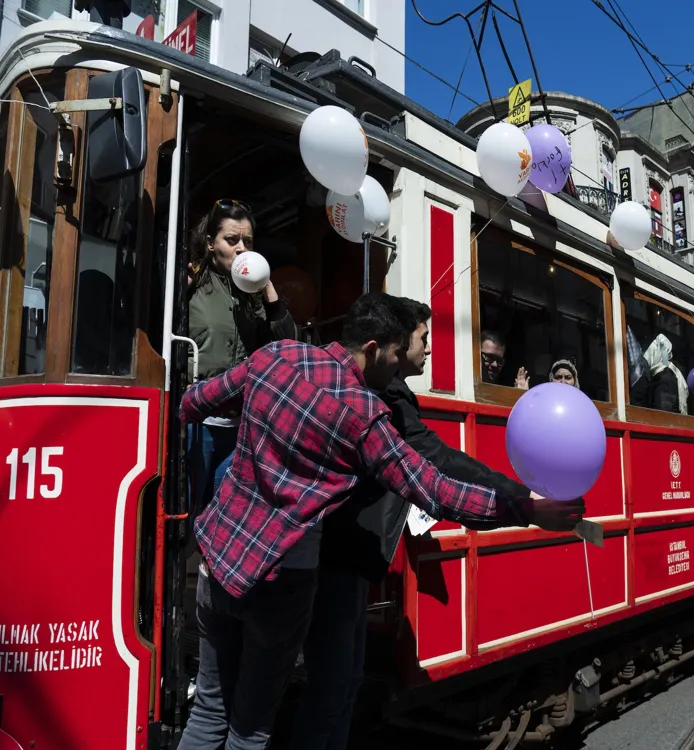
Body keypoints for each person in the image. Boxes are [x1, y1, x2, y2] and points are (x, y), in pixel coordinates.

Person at [176, 293, 583, 750]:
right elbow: (432, 488)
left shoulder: (275, 356)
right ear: (372, 349)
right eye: (395, 352)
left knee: (209, 710)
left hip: (217, 561)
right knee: (250, 729)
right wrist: (526, 509)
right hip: (280, 578)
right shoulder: (362, 415)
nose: (398, 362)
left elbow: (193, 402)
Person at [186, 199, 296, 516]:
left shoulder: (253, 293)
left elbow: (286, 345)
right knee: (190, 505)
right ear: (210, 243)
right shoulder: (195, 283)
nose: (241, 248)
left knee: (227, 512)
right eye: (231, 240)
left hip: (239, 424)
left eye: (247, 241)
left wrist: (269, 291)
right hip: (198, 420)